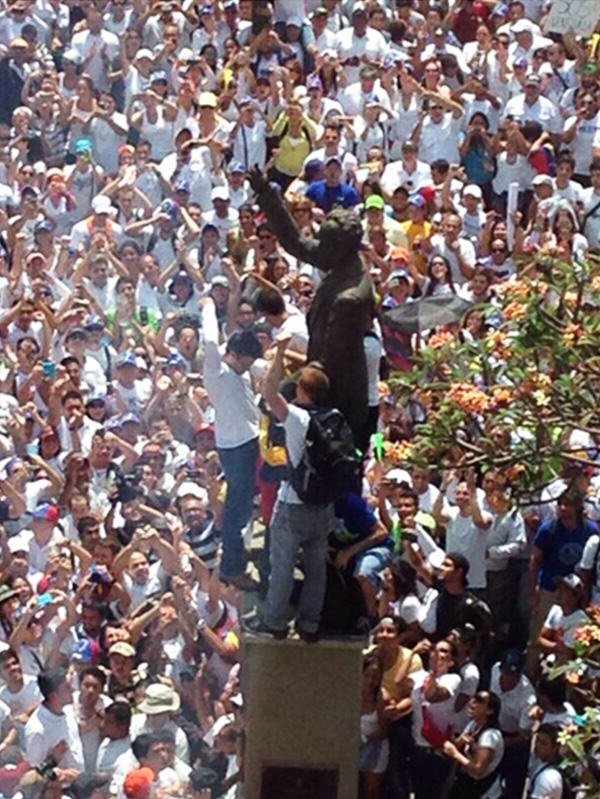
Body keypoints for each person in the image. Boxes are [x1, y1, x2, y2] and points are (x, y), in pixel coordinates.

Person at [247, 340, 335, 642]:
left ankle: (274, 621)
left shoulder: (298, 418)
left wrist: (281, 354)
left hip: (293, 503)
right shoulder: (335, 417)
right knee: (316, 568)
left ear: (302, 391)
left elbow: (270, 392)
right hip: (323, 506)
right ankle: (310, 624)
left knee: (281, 565)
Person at [201, 295, 262, 590]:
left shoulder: (243, 372)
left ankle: (237, 553)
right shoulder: (217, 372)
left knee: (246, 505)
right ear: (235, 355)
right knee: (236, 513)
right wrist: (209, 306)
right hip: (235, 449)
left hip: (251, 443)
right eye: (246, 362)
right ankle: (232, 569)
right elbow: (212, 342)